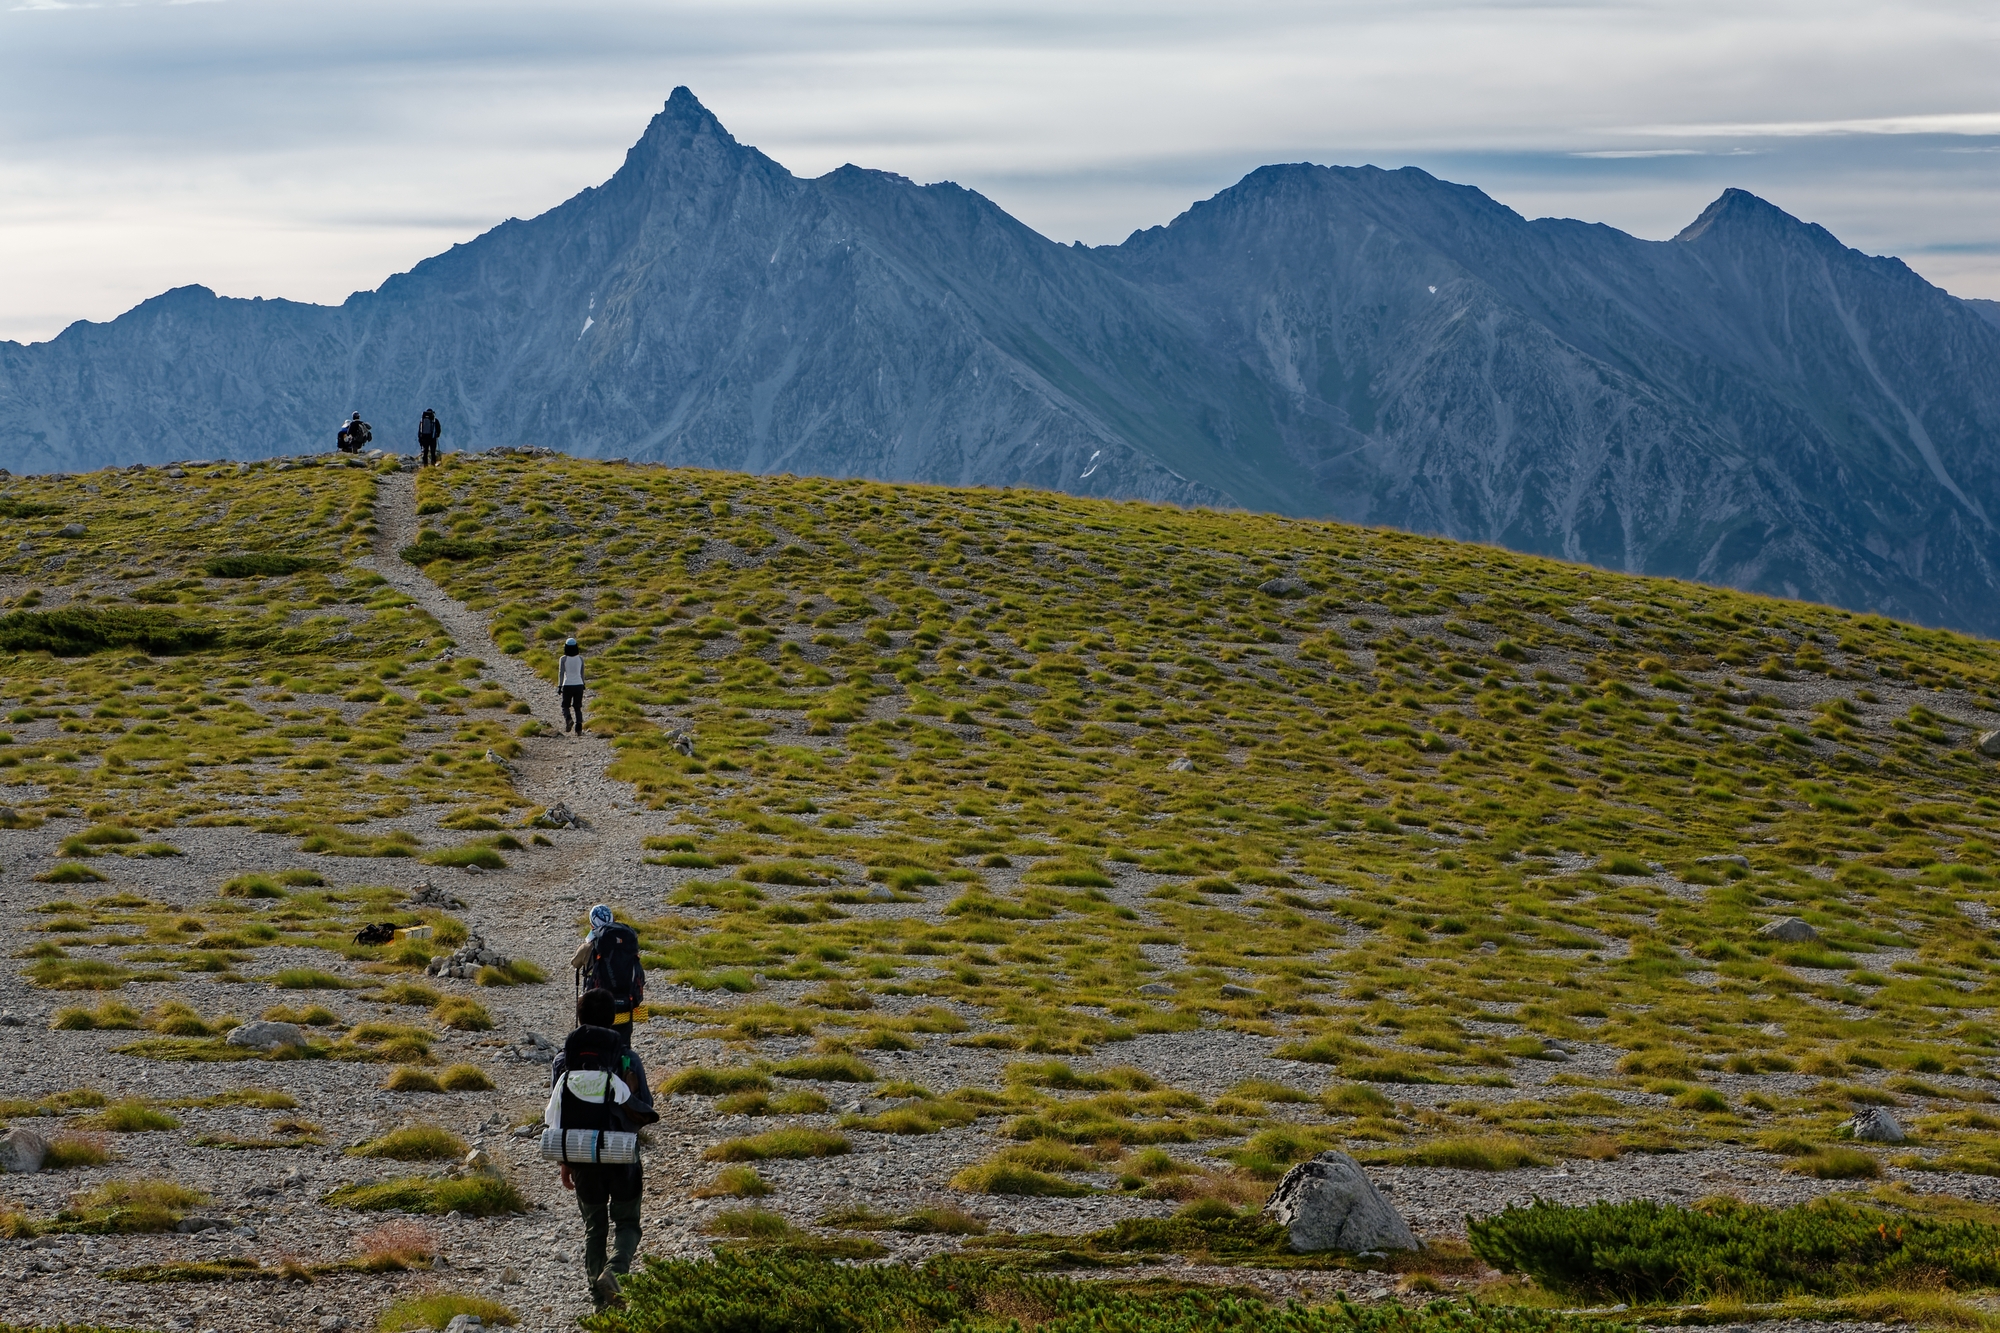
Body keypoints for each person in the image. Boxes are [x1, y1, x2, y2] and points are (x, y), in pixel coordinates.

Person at [546, 988, 656, 1310]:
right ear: (613, 1019)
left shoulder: (563, 1061)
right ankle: (615, 1273)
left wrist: (565, 1163)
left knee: (595, 1228)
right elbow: (645, 1106)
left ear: (579, 1018)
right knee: (627, 1224)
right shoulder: (627, 1057)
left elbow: (559, 1113)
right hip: (621, 1156)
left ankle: (599, 1302)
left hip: (580, 1155)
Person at [571, 903, 644, 1041]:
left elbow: (575, 963)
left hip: (598, 1005)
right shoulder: (626, 942)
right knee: (624, 1042)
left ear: (592, 924)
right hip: (627, 1002)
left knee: (596, 1040)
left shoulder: (589, 946)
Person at [559, 636, 586, 734]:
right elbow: (582, 673)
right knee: (577, 707)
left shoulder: (563, 659)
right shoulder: (580, 659)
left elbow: (561, 673)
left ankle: (569, 719)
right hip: (579, 684)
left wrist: (559, 685)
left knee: (565, 706)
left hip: (567, 685)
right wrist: (583, 683)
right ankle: (579, 728)